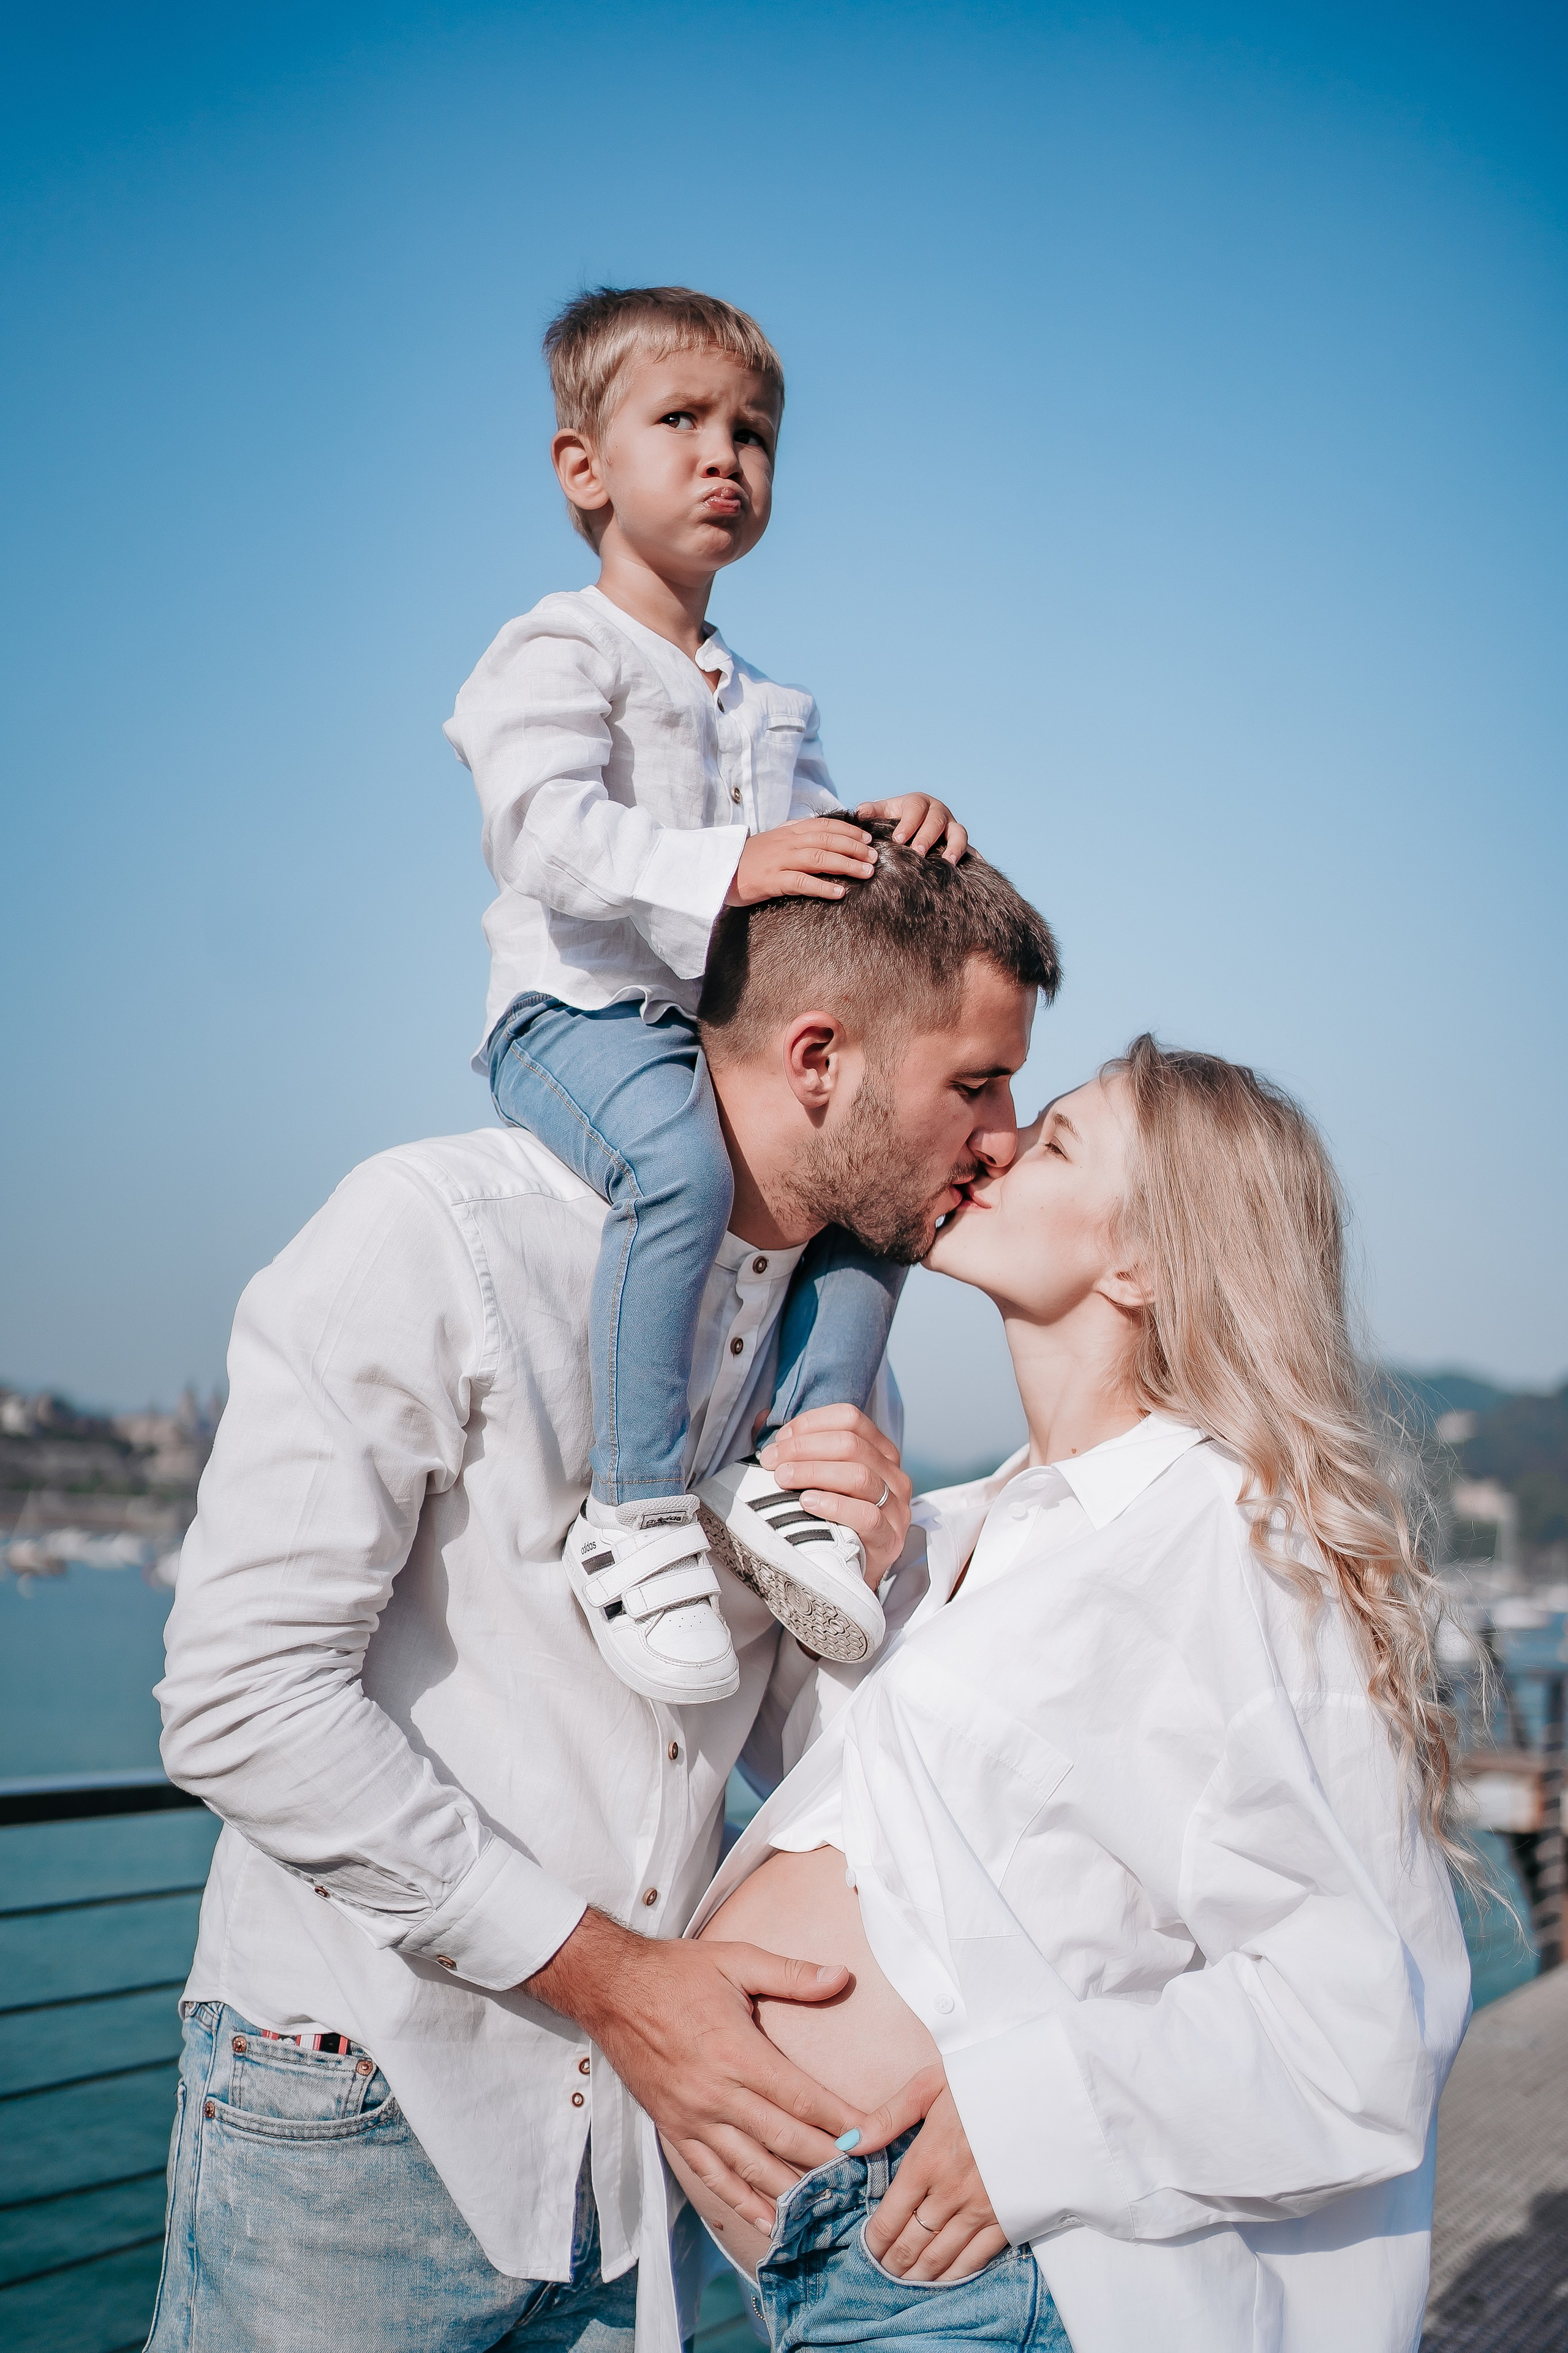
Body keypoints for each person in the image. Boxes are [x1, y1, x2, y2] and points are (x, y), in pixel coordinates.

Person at [147, 836, 1059, 2353]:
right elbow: (238, 1705)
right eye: (976, 1083)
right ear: (818, 1058)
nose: (1005, 1139)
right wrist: (619, 1983)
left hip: (646, 2166)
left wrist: (870, 1575)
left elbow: (805, 1776)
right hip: (358, 2105)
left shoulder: (843, 1371)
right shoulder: (437, 1235)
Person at [671, 1036, 1472, 2353]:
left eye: (1050, 1143)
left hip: (1003, 2277)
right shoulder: (961, 1526)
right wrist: (845, 1589)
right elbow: (915, 1849)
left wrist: (1024, 2119)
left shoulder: (1225, 1539)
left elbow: (1358, 2020)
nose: (989, 1145)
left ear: (1141, 1262)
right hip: (849, 2272)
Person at [446, 284, 971, 1708]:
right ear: (584, 468)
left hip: (711, 1038)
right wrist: (733, 863)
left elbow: (801, 877)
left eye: (751, 432)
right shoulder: (553, 650)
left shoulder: (767, 696)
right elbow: (540, 834)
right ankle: (634, 1508)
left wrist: (882, 822)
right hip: (575, 1020)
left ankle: (791, 1470)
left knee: (877, 1194)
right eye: (678, 421)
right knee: (675, 1167)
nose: (722, 455)